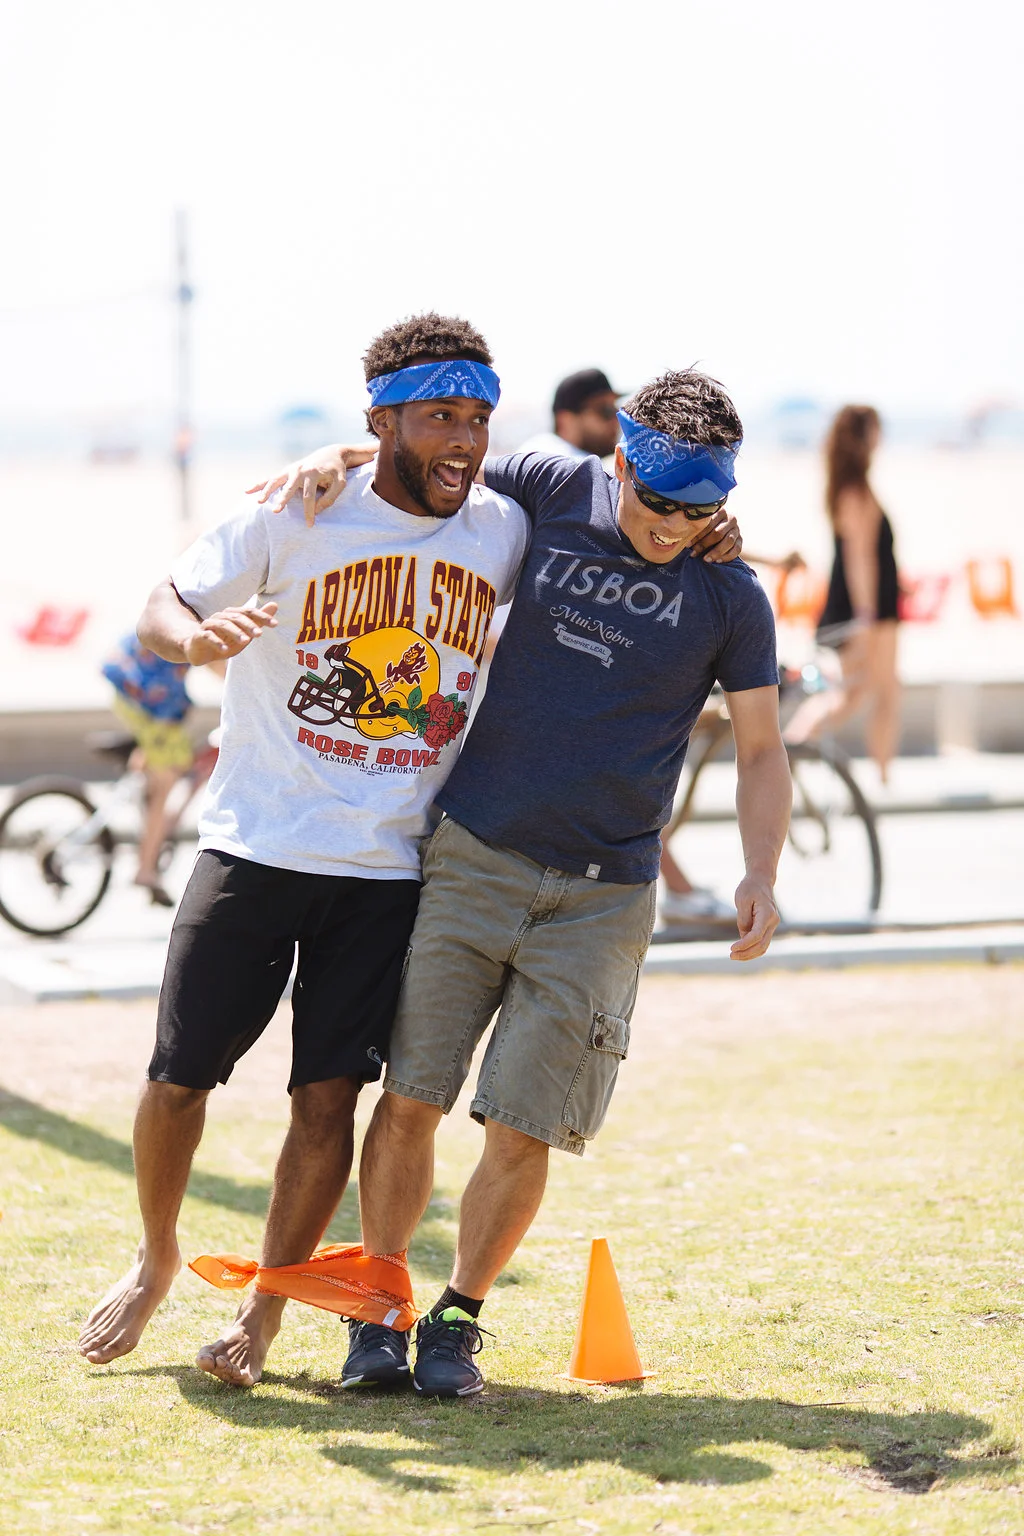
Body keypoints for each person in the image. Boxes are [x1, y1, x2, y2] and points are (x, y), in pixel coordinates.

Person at [263, 366, 791, 1398]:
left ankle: (457, 1317)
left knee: (523, 1123)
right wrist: (337, 456)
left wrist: (760, 871)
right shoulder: (553, 483)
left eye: (700, 511)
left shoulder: (731, 594)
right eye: (658, 500)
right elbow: (431, 468)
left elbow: (763, 748)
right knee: (410, 1097)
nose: (673, 528)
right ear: (619, 461)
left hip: (603, 898)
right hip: (474, 859)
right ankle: (377, 1310)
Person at [77, 313, 533, 1385]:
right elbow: (161, 604)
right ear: (382, 421)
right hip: (254, 846)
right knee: (178, 1079)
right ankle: (156, 1256)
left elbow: (622, 521)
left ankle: (264, 1315)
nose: (464, 439)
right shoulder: (296, 511)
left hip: (387, 873)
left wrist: (715, 533)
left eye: (478, 418)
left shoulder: (501, 530)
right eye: (440, 416)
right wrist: (194, 639)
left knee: (327, 1100)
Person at [785, 405, 901, 783]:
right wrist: (866, 615)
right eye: (876, 429)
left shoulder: (852, 488)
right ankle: (791, 749)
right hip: (868, 610)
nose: (881, 437)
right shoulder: (854, 492)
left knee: (866, 692)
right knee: (868, 693)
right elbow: (859, 559)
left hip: (873, 606)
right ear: (863, 437)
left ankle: (880, 774)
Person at [101, 632, 195, 907]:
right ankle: (145, 870)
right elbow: (221, 666)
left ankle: (147, 783)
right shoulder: (208, 615)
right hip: (150, 702)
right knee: (164, 785)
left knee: (172, 766)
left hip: (134, 692)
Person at [517, 367, 622, 460]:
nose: (616, 419)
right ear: (566, 420)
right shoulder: (551, 459)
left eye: (617, 410)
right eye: (606, 411)